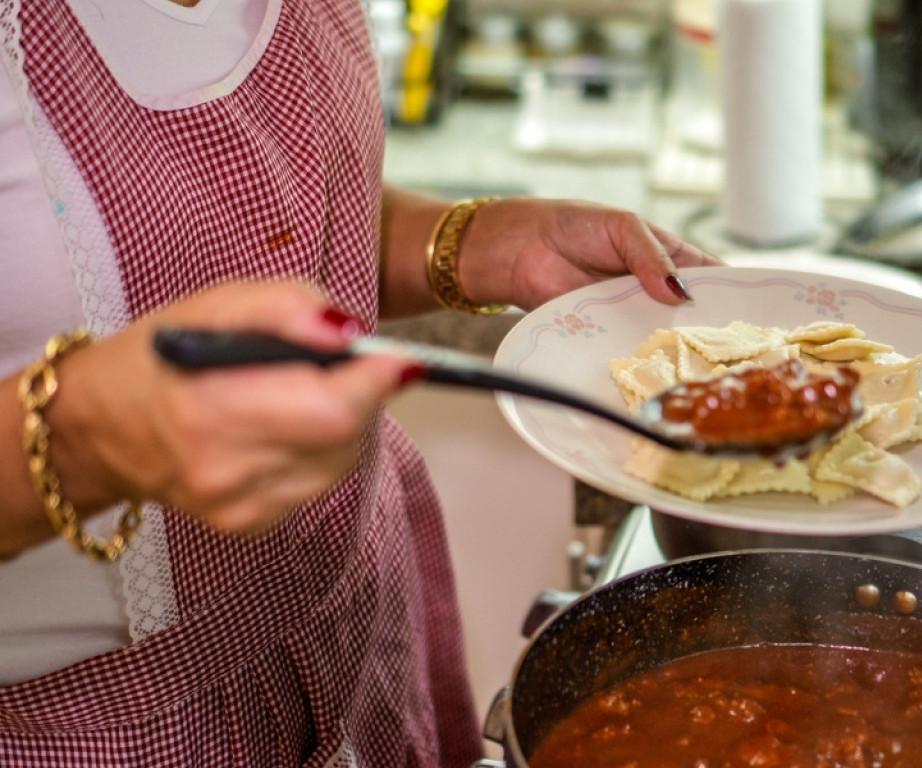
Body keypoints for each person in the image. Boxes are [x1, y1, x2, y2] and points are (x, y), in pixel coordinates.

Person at [0, 0, 720, 764]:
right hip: (92, 730)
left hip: (348, 628)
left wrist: (467, 243)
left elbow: (264, 208)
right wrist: (84, 441)